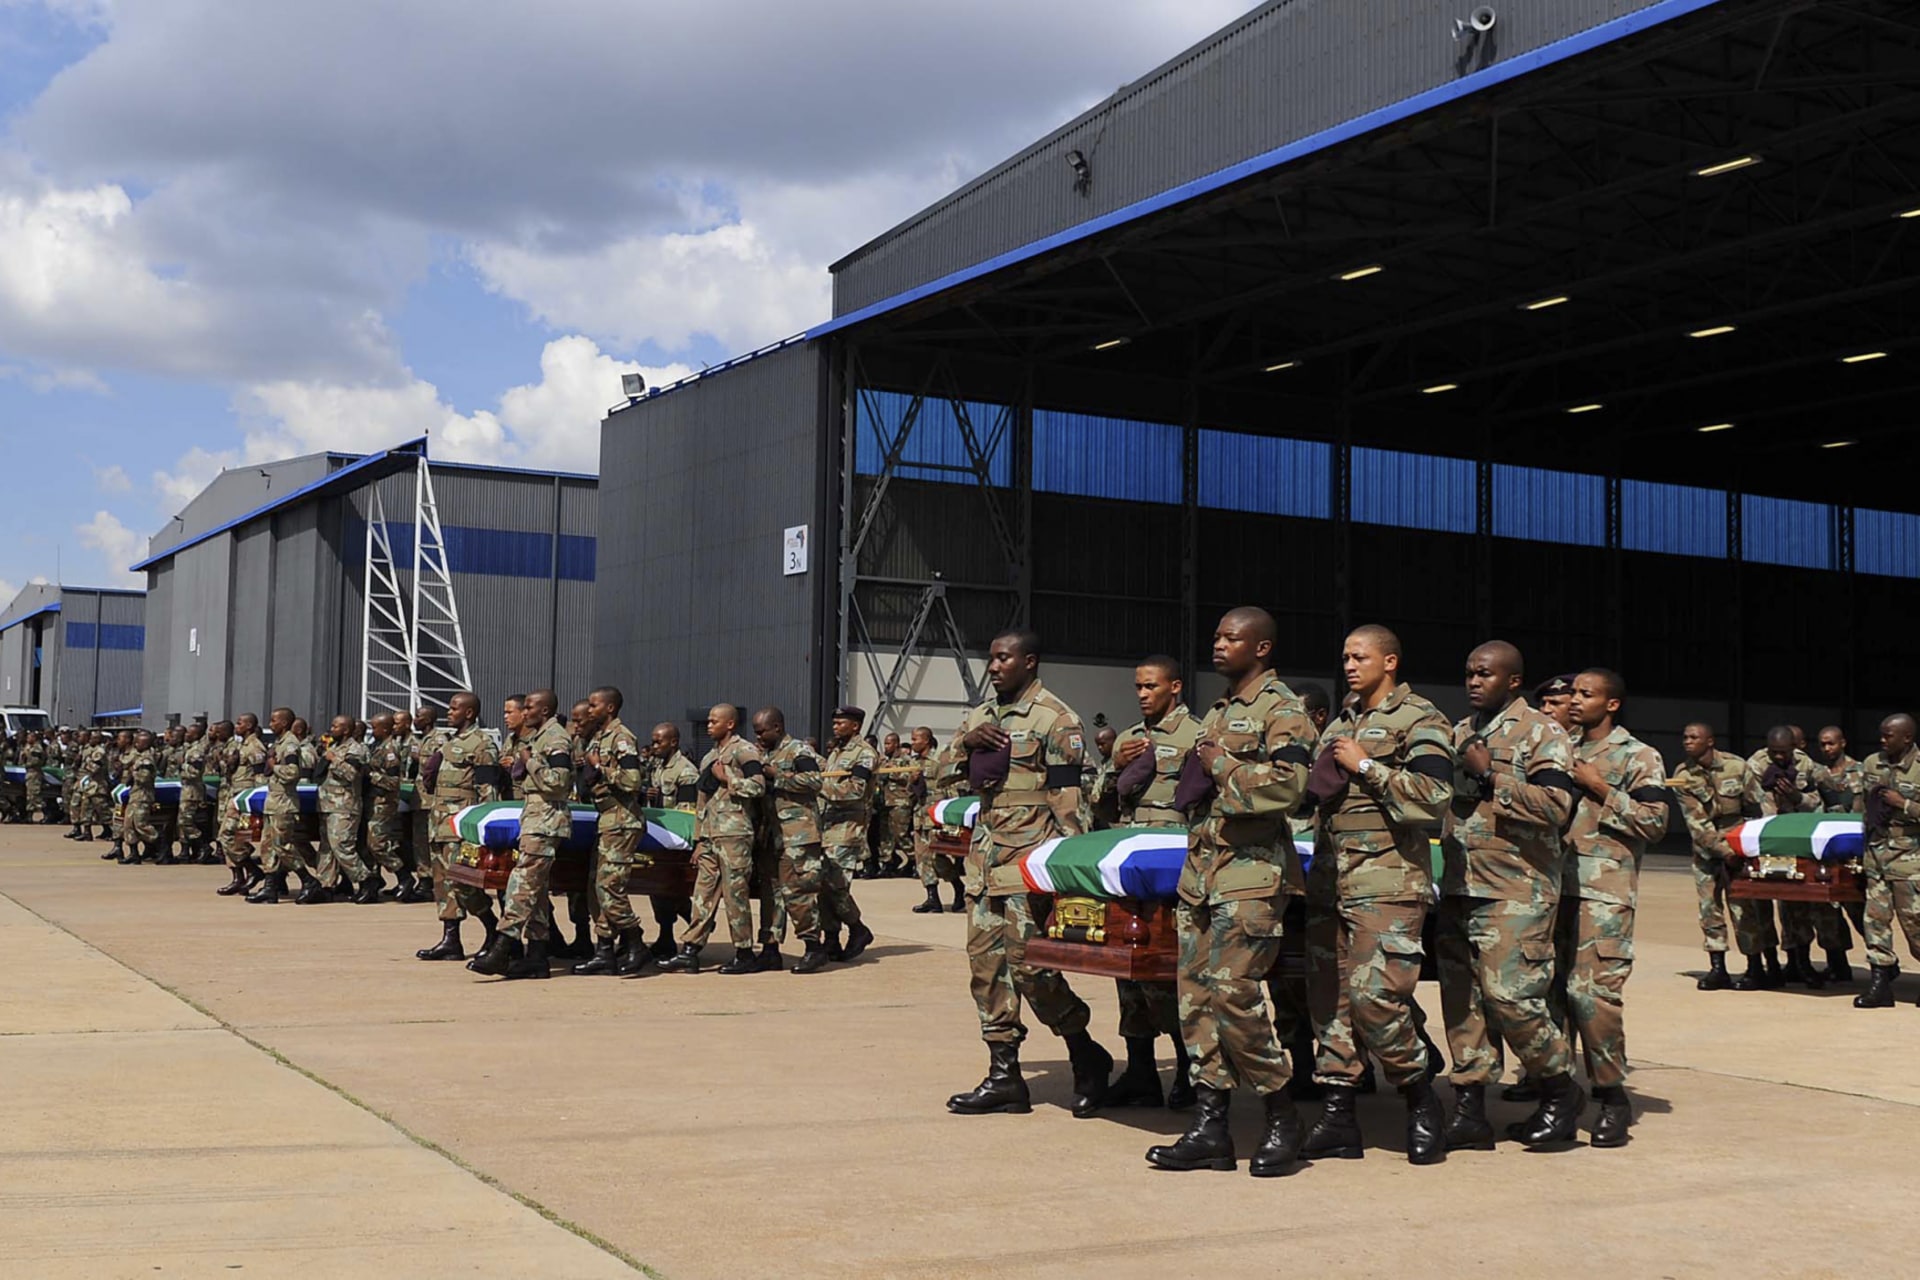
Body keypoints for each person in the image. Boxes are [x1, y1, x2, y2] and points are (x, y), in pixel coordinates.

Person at [1144, 620, 1314, 1176]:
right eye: (1215, 636)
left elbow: (1289, 787)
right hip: (1203, 873)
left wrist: (1220, 763)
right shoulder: (1216, 711)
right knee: (1194, 1000)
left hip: (1252, 874)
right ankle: (1211, 1127)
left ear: (1262, 647)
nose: (1218, 644)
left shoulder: (1281, 710)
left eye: (1230, 637)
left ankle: (1281, 1114)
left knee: (1234, 994)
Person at [941, 629, 1113, 1120]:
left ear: (1029, 662)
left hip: (1029, 863)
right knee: (986, 970)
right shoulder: (980, 717)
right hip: (985, 861)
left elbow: (1069, 803)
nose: (993, 666)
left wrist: (1065, 873)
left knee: (1033, 970)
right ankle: (1004, 1076)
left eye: (1003, 658)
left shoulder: (1056, 719)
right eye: (990, 658)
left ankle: (1085, 1054)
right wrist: (963, 745)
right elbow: (938, 773)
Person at [1303, 625, 1453, 1166]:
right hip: (1330, 882)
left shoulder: (1421, 720)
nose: (1348, 664)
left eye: (1359, 656)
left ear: (1389, 661)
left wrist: (1366, 765)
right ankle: (1339, 1115)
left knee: (1377, 999)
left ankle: (1420, 1100)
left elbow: (1433, 798)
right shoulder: (1340, 723)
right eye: (1343, 655)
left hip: (1386, 882)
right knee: (1331, 1004)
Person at [1437, 641, 1582, 1152]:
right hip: (1460, 886)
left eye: (1485, 674)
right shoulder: (1460, 731)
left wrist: (1489, 774)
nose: (1474, 682)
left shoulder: (1542, 733)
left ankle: (1560, 1093)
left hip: (1515, 890)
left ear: (1513, 681)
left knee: (1513, 999)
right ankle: (1470, 1109)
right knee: (1463, 1005)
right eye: (1470, 673)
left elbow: (1556, 806)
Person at [1558, 669, 1669, 1147]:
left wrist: (1600, 788)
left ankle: (1612, 1097)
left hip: (1603, 893)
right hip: (1550, 890)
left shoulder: (1639, 756)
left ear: (1612, 704)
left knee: (1592, 997)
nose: (1576, 701)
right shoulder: (1558, 747)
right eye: (1574, 693)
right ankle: (1559, 1099)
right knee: (1547, 999)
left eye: (1587, 694)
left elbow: (1655, 822)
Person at [1105, 654, 1199, 1112]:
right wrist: (1111, 765)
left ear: (1175, 687)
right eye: (1138, 687)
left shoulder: (1197, 734)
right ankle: (1140, 1071)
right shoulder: (1127, 739)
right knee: (1128, 968)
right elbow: (1100, 803)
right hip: (1128, 860)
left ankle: (1187, 1068)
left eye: (1151, 687)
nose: (1143, 694)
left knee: (1168, 968)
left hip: (1171, 861)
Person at [752, 706, 872, 974]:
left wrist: (778, 776)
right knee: (773, 893)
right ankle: (771, 948)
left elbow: (814, 781)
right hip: (775, 833)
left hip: (806, 832)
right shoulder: (767, 753)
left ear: (777, 728)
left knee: (803, 891)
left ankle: (817, 946)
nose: (757, 737)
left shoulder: (798, 751)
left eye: (761, 731)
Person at [472, 690, 574, 980]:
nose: (524, 711)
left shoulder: (555, 738)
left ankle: (504, 945)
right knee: (537, 891)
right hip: (534, 818)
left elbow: (559, 783)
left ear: (544, 711)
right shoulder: (539, 737)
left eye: (529, 707)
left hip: (546, 821)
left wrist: (529, 762)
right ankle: (538, 956)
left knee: (522, 883)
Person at [661, 705, 767, 975]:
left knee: (735, 896)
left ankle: (744, 953)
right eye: (708, 721)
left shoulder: (744, 751)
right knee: (702, 895)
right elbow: (702, 799)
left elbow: (757, 785)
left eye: (713, 721)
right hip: (711, 835)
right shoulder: (709, 756)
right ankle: (690, 950)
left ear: (730, 724)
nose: (708, 725)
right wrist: (699, 838)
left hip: (735, 833)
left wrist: (728, 777)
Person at [1669, 722, 1765, 990]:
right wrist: (1723, 851)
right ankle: (1717, 968)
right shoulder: (1682, 775)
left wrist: (1753, 842)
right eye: (1685, 737)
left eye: (1694, 737)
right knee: (1710, 909)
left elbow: (1758, 803)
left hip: (1739, 844)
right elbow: (1696, 824)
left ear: (1710, 741)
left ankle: (1754, 968)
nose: (1687, 742)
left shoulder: (1737, 766)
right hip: (1707, 851)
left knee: (1743, 909)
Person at [1746, 726, 1838, 986]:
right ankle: (1771, 964)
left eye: (1783, 753)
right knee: (1761, 905)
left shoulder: (1806, 765)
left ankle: (1801, 963)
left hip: (1795, 839)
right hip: (1764, 840)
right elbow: (1752, 802)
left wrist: (1798, 797)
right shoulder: (1755, 765)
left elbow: (1821, 803)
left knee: (1796, 906)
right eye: (1774, 753)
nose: (1778, 758)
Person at [572, 687, 655, 978]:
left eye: (594, 705)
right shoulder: (597, 738)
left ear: (609, 709)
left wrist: (600, 768)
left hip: (622, 820)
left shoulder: (622, 738)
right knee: (597, 888)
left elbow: (633, 781)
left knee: (610, 887)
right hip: (607, 819)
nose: (589, 709)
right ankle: (604, 950)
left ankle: (636, 941)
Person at [415, 691, 501, 962]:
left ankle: (492, 928)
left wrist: (485, 831)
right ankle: (451, 939)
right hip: (440, 822)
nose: (448, 712)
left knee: (463, 882)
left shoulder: (482, 744)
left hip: (461, 824)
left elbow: (489, 791)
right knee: (442, 883)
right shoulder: (449, 743)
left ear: (469, 713)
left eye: (454, 709)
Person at [1854, 714, 1920, 1009]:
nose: (1883, 740)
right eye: (1881, 735)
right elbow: (1861, 807)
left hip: (1910, 857)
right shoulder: (1871, 764)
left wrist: (1902, 803)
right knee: (1875, 921)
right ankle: (1880, 984)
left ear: (1907, 737)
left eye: (1889, 735)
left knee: (1915, 922)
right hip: (1876, 852)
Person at [1812, 724, 1866, 982]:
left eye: (1831, 743)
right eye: (1822, 744)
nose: (1827, 748)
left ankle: (1884, 961)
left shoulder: (1861, 772)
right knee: (1826, 912)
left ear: (1843, 743)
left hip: (1854, 851)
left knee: (1860, 911)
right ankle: (1837, 963)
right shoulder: (1817, 775)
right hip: (1826, 852)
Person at [644, 722, 700, 958]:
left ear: (673, 742)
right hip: (660, 835)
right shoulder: (656, 766)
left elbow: (687, 812)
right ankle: (665, 937)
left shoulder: (686, 772)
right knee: (657, 890)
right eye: (654, 741)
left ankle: (695, 923)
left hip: (676, 840)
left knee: (673, 890)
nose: (655, 746)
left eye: (659, 742)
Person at [309, 715, 378, 904]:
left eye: (336, 726)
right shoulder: (334, 748)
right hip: (326, 805)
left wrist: (334, 759)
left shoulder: (356, 749)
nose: (332, 729)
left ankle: (367, 880)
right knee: (326, 849)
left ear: (346, 730)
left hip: (344, 806)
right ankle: (326, 885)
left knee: (342, 846)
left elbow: (351, 775)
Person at [910, 725, 965, 914]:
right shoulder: (913, 762)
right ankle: (932, 898)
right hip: (920, 815)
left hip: (936, 815)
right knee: (922, 858)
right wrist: (913, 781)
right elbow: (912, 792)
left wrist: (951, 816)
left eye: (916, 739)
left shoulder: (939, 760)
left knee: (938, 858)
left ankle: (958, 887)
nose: (912, 742)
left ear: (926, 740)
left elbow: (951, 787)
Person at [365, 714, 417, 900]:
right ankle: (377, 881)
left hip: (384, 803)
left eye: (375, 728)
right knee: (372, 843)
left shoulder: (390, 750)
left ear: (385, 729)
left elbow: (394, 782)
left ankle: (404, 876)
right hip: (373, 801)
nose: (372, 731)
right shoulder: (376, 747)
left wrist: (370, 775)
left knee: (377, 844)